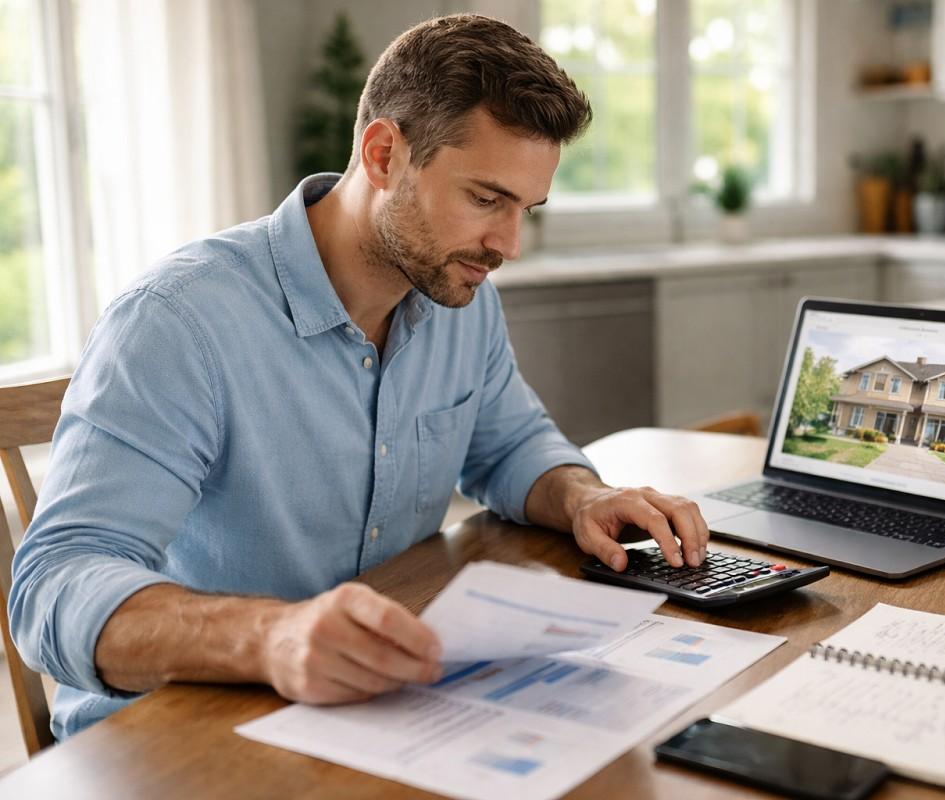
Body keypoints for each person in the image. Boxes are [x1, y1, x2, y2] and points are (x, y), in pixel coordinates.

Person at [8, 14, 709, 740]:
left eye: (524, 209)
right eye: (485, 199)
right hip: (182, 738)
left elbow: (509, 444)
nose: (509, 245)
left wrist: (582, 496)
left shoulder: (459, 297)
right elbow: (53, 587)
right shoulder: (177, 323)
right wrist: (271, 637)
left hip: (372, 713)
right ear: (382, 155)